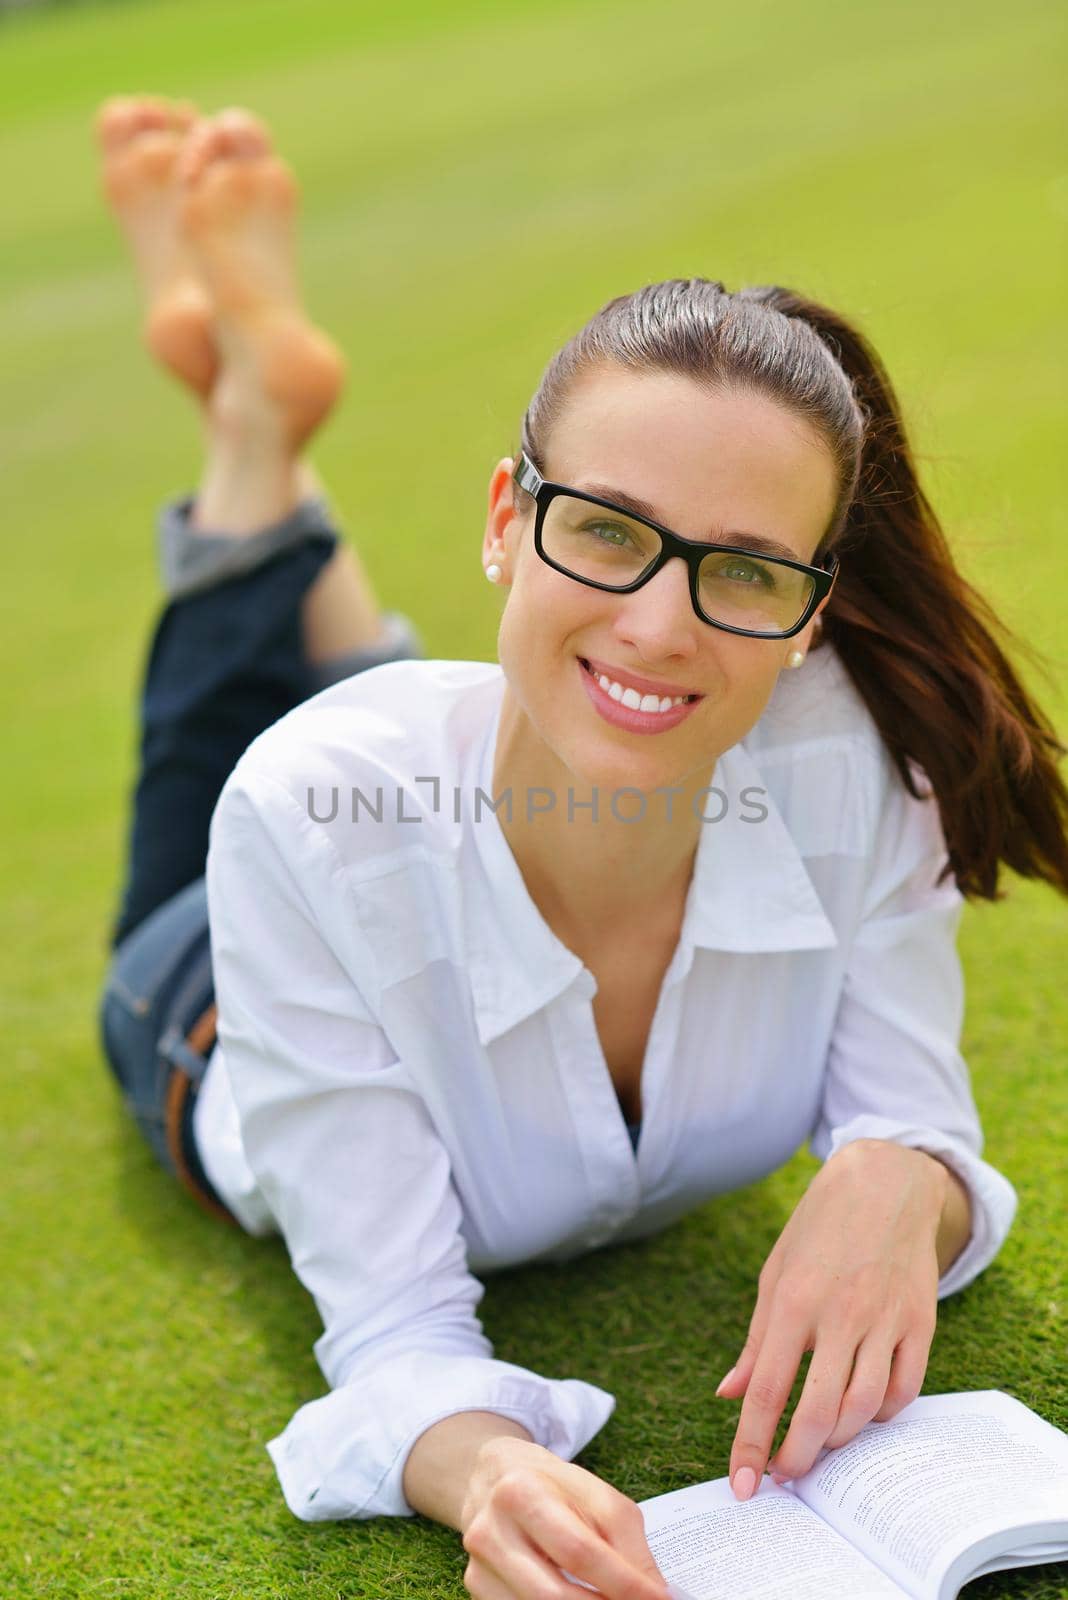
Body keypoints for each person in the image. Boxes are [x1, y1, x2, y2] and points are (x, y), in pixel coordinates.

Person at [95, 95, 1068, 1600]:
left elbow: (916, 1125)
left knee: (562, 692)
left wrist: (903, 1165)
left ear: (811, 613)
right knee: (236, 761)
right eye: (605, 527)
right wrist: (484, 1468)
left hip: (473, 751)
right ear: (507, 513)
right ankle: (251, 442)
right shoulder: (305, 816)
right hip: (211, 1005)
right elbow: (396, 1337)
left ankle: (274, 440)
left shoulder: (852, 764)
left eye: (744, 569)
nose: (670, 617)